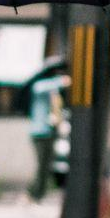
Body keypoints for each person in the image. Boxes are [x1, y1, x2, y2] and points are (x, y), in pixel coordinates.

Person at [27, 69, 66, 202]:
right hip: (38, 133)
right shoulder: (40, 87)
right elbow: (38, 88)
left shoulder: (54, 95)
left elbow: (57, 112)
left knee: (47, 165)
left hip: (50, 131)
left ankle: (40, 195)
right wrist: (60, 81)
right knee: (41, 164)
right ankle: (33, 194)